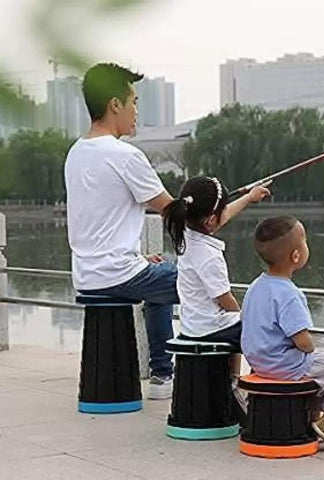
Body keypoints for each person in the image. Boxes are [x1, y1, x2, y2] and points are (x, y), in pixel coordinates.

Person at [64, 63, 178, 400]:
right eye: (134, 102)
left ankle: (163, 375)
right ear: (115, 104)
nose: (136, 111)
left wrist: (138, 258)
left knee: (158, 275)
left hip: (87, 274)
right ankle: (199, 377)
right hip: (117, 275)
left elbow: (98, 221)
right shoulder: (125, 155)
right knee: (206, 282)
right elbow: (174, 213)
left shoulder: (76, 153)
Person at [241, 216, 324, 450]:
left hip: (257, 361)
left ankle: (311, 414)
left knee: (318, 366)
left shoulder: (255, 286)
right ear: (296, 256)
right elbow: (302, 341)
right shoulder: (289, 294)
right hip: (284, 365)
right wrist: (311, 347)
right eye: (305, 241)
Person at [162, 176, 270, 414]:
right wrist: (245, 317)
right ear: (211, 219)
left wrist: (249, 198)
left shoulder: (186, 235)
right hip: (210, 328)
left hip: (194, 324)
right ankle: (249, 385)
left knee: (243, 325)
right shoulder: (209, 256)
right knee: (263, 331)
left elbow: (222, 215)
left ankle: (234, 379)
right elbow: (224, 300)